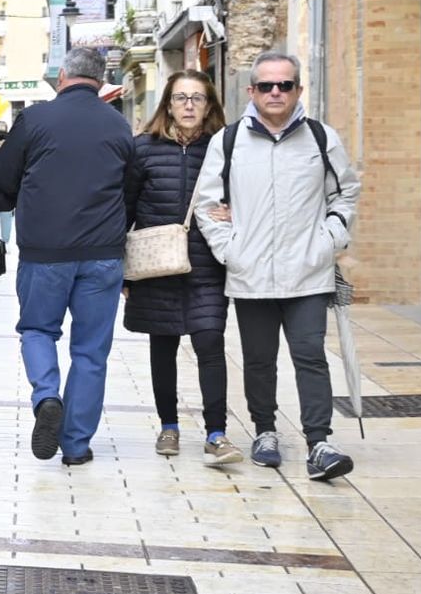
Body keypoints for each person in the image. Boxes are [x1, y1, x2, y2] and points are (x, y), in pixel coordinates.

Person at [194, 51, 361, 481]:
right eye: (266, 85)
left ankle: (319, 442)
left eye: (284, 85)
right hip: (250, 274)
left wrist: (329, 239)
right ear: (252, 91)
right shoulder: (228, 141)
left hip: (307, 272)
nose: (275, 92)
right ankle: (265, 432)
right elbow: (207, 203)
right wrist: (231, 250)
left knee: (310, 357)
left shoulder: (322, 138)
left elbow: (346, 193)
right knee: (259, 359)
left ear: (297, 90)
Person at [0, 46, 135, 467]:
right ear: (102, 79)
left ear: (62, 75)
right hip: (103, 254)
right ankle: (75, 445)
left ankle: (47, 397)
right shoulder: (119, 125)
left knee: (37, 330)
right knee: (91, 352)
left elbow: (1, 179)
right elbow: (131, 190)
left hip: (45, 252)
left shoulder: (35, 119)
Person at [123, 70, 239, 466]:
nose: (189, 105)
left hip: (208, 265)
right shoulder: (143, 149)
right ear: (168, 104)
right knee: (163, 347)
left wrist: (234, 213)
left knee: (210, 343)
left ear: (209, 106)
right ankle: (168, 425)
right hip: (157, 264)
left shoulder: (225, 149)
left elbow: (246, 198)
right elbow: (126, 208)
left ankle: (216, 433)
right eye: (180, 98)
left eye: (197, 98)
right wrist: (122, 271)